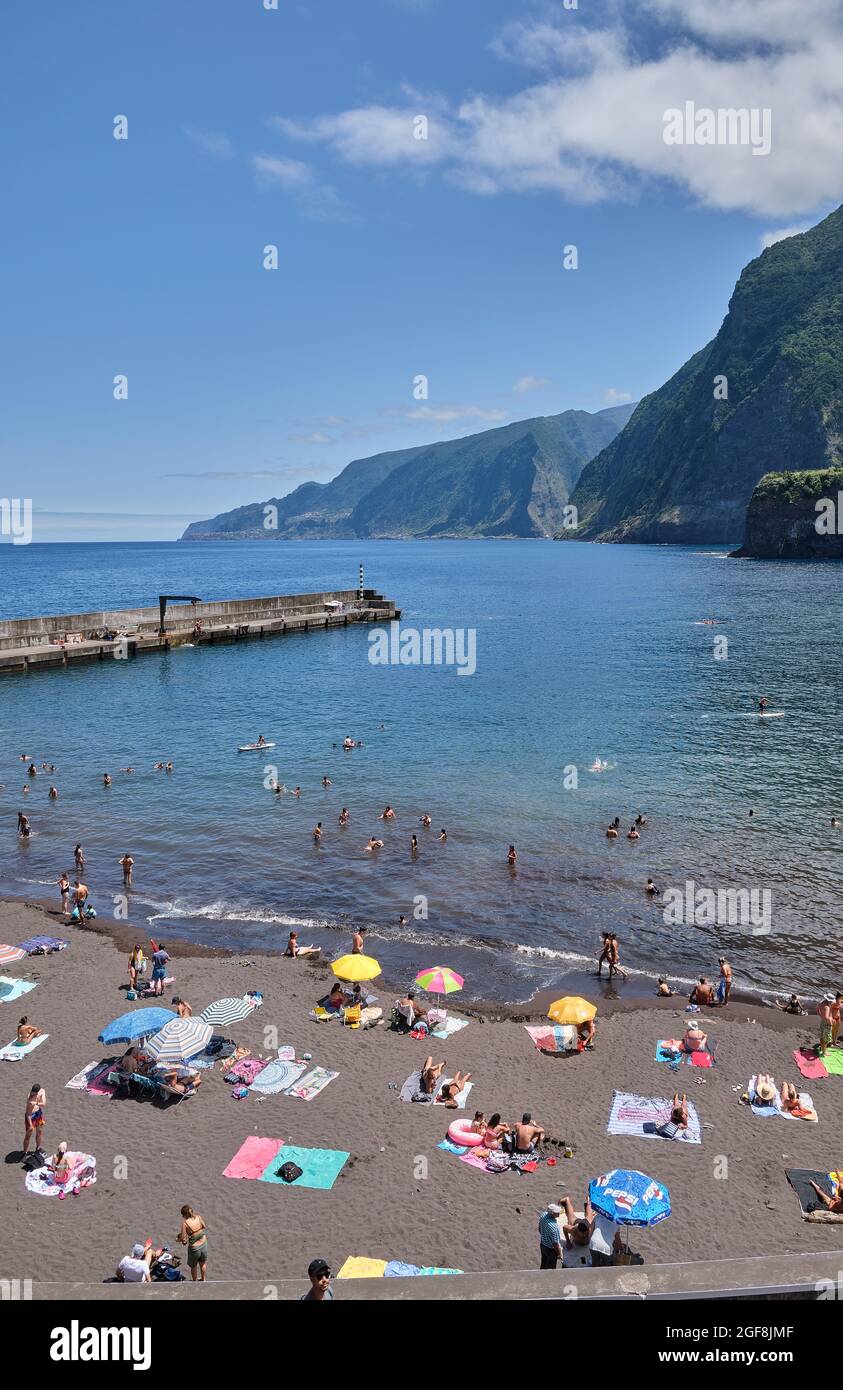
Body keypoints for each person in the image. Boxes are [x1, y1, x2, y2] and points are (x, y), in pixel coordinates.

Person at [178, 1205, 208, 1282]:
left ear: (184, 1215)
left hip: (195, 1248)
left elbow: (183, 1239)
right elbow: (204, 1226)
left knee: (193, 1266)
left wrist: (179, 1240)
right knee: (203, 1263)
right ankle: (203, 1279)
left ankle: (194, 1282)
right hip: (204, 1243)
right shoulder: (198, 1217)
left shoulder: (185, 1224)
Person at [539, 1203, 565, 1269]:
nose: (559, 1213)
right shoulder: (554, 1227)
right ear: (553, 1214)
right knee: (551, 1267)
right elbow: (555, 1243)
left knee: (544, 1262)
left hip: (543, 1244)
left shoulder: (543, 1215)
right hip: (550, 1249)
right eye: (557, 1212)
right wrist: (559, 1254)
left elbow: (539, 1228)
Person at [23, 1084, 46, 1156]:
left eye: (34, 1093)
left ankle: (38, 1148)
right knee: (28, 1135)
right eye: (32, 1092)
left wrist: (36, 1103)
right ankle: (25, 1153)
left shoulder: (42, 1091)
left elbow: (44, 1103)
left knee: (39, 1131)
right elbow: (28, 1114)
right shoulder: (30, 1099)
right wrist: (30, 1125)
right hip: (31, 1116)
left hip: (38, 1113)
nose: (32, 1094)